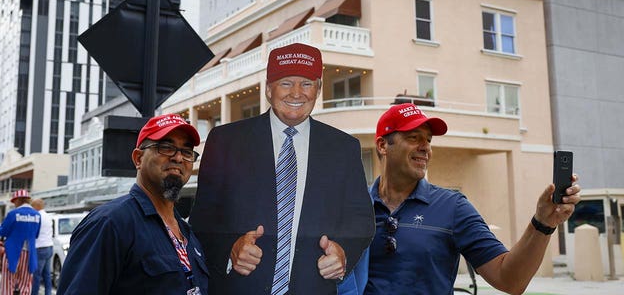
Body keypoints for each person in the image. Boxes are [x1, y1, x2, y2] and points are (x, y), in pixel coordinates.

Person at [190, 43, 375, 294]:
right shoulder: (225, 142)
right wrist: (229, 249)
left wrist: (344, 251)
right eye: (286, 83)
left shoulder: (344, 148)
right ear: (268, 89)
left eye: (307, 83)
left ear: (318, 89)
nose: (297, 93)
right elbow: (203, 218)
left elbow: (361, 220)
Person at [341, 103, 581, 295]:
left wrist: (542, 224)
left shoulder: (453, 207)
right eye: (414, 138)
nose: (426, 147)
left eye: (429, 140)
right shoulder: (350, 207)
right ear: (383, 146)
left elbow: (509, 280)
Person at [57, 113, 209, 295]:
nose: (178, 158)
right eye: (166, 147)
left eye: (186, 152)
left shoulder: (186, 232)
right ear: (138, 159)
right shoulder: (109, 223)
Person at [0, 189, 41, 295]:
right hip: (29, 254)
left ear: (17, 200)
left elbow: (3, 231)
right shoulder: (37, 215)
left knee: (8, 283)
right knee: (25, 284)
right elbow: (36, 234)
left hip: (12, 253)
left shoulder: (13, 214)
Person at [30, 198, 53, 295]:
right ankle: (48, 293)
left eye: (32, 206)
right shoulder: (48, 216)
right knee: (47, 274)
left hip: (40, 247)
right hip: (49, 246)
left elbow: (33, 232)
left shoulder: (37, 216)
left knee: (36, 276)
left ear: (37, 206)